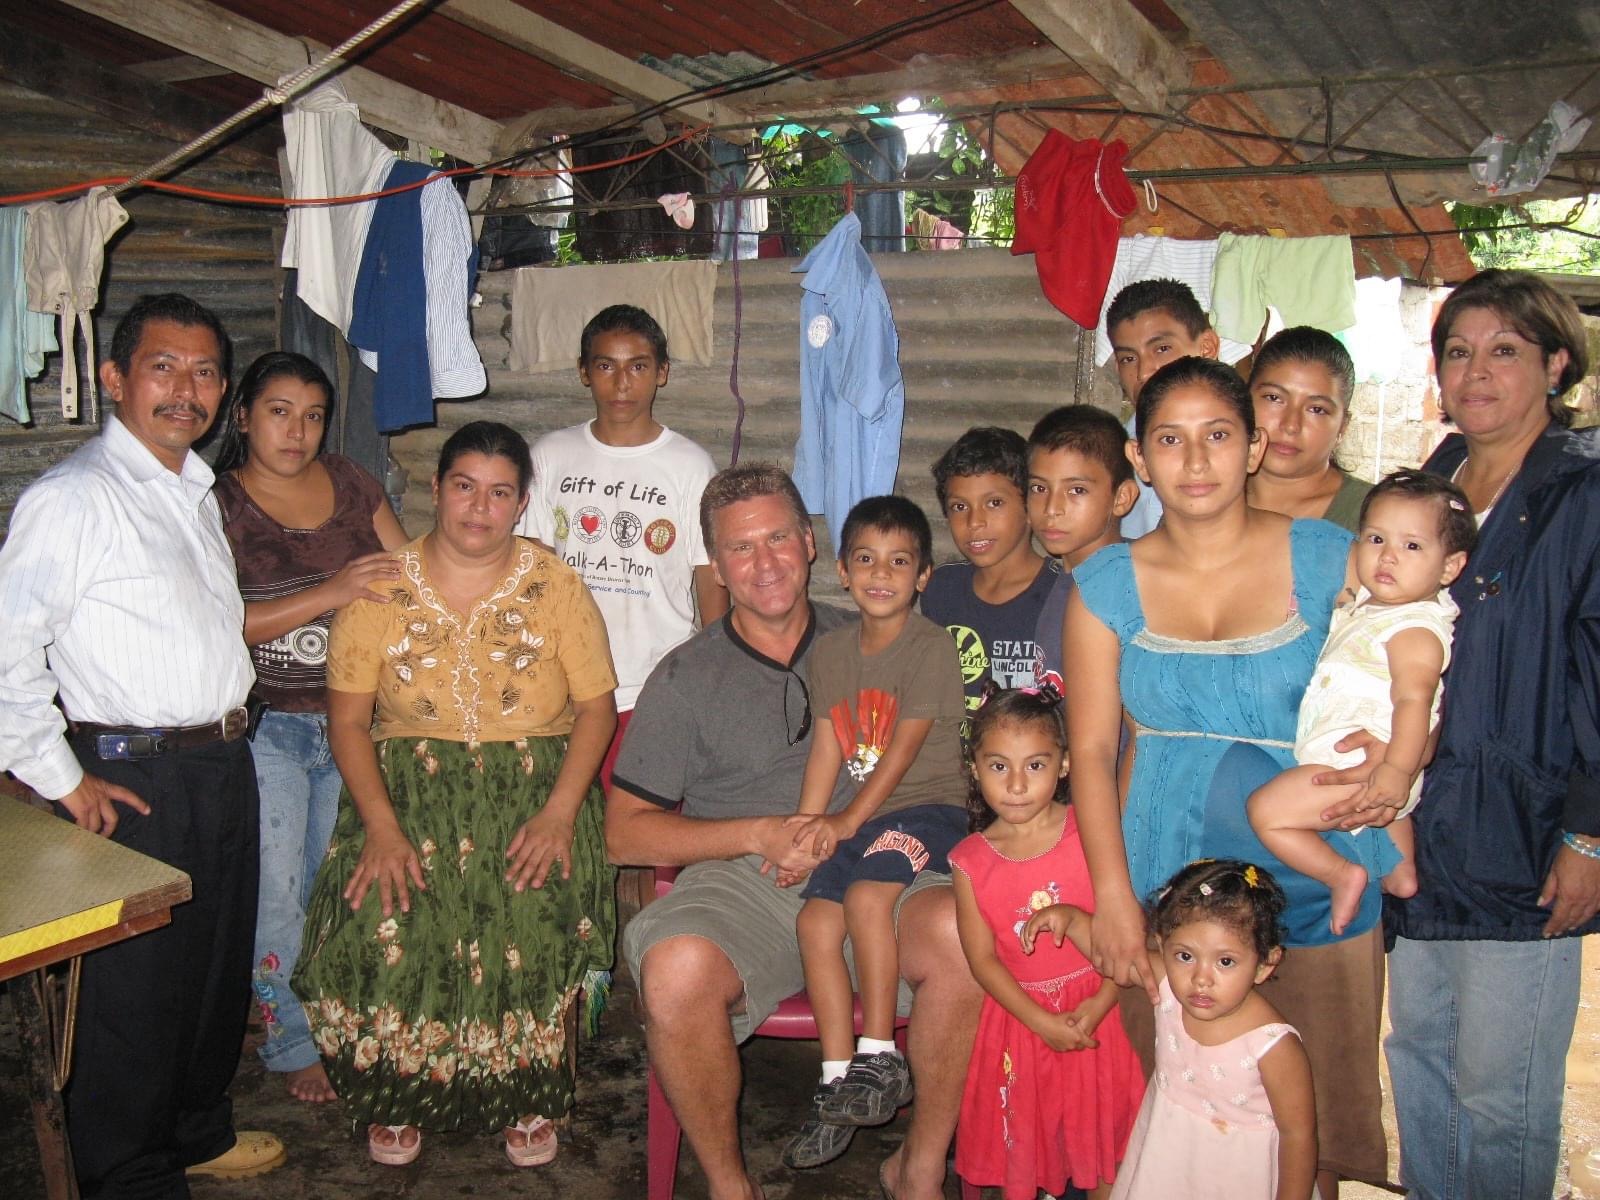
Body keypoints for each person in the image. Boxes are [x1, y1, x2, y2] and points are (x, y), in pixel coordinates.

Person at [608, 463, 982, 1200]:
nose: (766, 562)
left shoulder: (886, 636)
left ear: (811, 545)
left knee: (964, 933)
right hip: (751, 884)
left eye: (779, 537)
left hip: (888, 857)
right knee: (676, 969)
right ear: (717, 564)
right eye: (741, 549)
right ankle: (729, 1186)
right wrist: (758, 833)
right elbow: (623, 835)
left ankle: (920, 1171)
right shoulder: (684, 678)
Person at [1066, 356, 1388, 1196]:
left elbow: (1407, 665)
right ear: (1139, 460)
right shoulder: (1102, 585)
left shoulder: (1329, 559)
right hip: (1164, 884)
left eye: (1218, 436)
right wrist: (1108, 896)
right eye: (1170, 439)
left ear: (1253, 448)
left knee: (1310, 1127)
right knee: (1194, 1109)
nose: (1197, 461)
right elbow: (1093, 752)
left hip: (1319, 876)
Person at [0, 293, 284, 1195]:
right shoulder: (75, 497)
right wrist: (60, 776)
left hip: (220, 760)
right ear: (117, 377)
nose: (186, 389)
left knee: (209, 971)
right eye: (163, 367)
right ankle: (126, 1174)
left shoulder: (191, 490)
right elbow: (6, 647)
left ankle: (196, 1132)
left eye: (204, 371)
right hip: (130, 771)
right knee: (133, 994)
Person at [291, 421, 619, 1169]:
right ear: (436, 490)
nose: (480, 507)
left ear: (522, 503)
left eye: (500, 492)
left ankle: (526, 1093)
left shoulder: (556, 584)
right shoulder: (380, 585)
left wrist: (562, 814)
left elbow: (596, 708)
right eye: (464, 486)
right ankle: (401, 1090)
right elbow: (347, 721)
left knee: (529, 917)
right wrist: (380, 825)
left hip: (536, 788)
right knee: (382, 914)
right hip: (406, 791)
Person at [1383, 270, 1600, 1200]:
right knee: (1420, 1062)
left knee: (1501, 1094)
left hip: (1526, 829)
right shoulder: (1432, 485)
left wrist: (1589, 831)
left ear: (1555, 364)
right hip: (1422, 831)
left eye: (1504, 350)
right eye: (1459, 351)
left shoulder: (1582, 494)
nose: (1477, 371)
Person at [211, 351, 409, 1104]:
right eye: (279, 411)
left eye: (314, 414)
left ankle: (344, 1021)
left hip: (359, 721)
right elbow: (216, 625)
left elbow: (408, 575)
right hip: (268, 730)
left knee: (344, 885)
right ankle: (291, 1039)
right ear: (243, 417)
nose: (297, 430)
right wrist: (331, 590)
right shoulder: (218, 505)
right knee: (278, 891)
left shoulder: (353, 482)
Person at [783, 495, 968, 1170]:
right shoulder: (831, 652)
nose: (881, 573)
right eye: (866, 558)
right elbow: (829, 746)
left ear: (922, 575)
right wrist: (808, 831)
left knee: (866, 899)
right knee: (815, 923)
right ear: (841, 569)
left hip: (929, 810)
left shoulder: (931, 646)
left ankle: (879, 1056)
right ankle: (836, 1081)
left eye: (899, 561)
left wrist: (846, 823)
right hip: (866, 816)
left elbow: (903, 752)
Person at [1249, 471, 1473, 934]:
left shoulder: (1415, 630)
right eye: (1376, 538)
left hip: (1355, 764)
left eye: (1412, 546)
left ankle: (1340, 874)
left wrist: (1395, 770)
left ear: (1450, 568)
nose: (1388, 555)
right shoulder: (1380, 607)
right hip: (1381, 769)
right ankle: (1401, 873)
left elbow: (1415, 700)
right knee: (1395, 819)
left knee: (1265, 812)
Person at [516, 303, 728, 791]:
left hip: (656, 681)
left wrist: (717, 666)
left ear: (662, 373)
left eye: (638, 366)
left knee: (653, 830)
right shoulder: (550, 456)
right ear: (584, 373)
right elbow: (531, 567)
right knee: (569, 824)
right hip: (565, 682)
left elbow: (708, 574)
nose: (622, 383)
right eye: (606, 365)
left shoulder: (690, 465)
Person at [950, 687, 1143, 1200]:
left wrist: (1102, 1002)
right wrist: (1038, 1021)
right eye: (998, 767)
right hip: (1022, 1026)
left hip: (1102, 1018)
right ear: (974, 768)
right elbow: (983, 961)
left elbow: (1118, 925)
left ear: (1063, 765)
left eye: (1034, 765)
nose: (1016, 784)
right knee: (1032, 1151)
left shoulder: (1090, 830)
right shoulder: (970, 861)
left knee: (1105, 1149)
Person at [1032, 860, 1315, 1200]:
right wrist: (1073, 920)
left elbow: (1298, 1135)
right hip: (1166, 1161)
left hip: (1240, 1176)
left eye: (1225, 961)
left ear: (1263, 965)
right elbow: (1115, 956)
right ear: (1162, 944)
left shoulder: (1272, 1045)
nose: (1201, 978)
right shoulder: (1166, 986)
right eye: (1184, 956)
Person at [923, 426, 1057, 714]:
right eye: (959, 506)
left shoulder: (1063, 595)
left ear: (1031, 507)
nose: (974, 522)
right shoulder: (941, 589)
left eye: (994, 503)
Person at [1024, 404, 1140, 688]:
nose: (1052, 508)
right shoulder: (1067, 576)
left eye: (1076, 490)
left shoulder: (1128, 585)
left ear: (1122, 497)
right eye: (1039, 488)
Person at [1104, 279, 1225, 539]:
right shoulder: (1111, 456)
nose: (1144, 371)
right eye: (1128, 358)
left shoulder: (1243, 444)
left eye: (1161, 349)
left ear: (1207, 348)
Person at [1245, 327, 1370, 531]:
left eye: (1317, 409)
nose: (1291, 425)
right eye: (1274, 398)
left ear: (1342, 427)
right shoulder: (1201, 497)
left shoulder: (1374, 518)